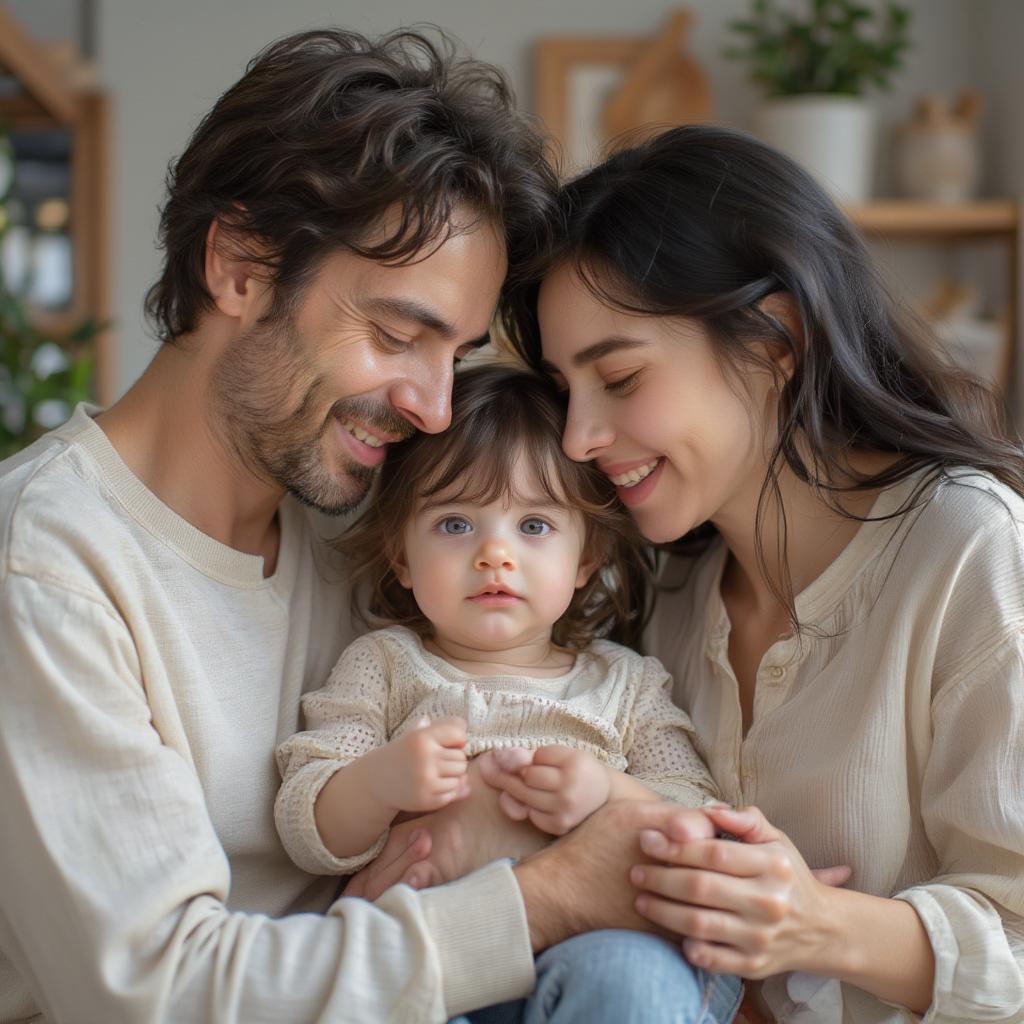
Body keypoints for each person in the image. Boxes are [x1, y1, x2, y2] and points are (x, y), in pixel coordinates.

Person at [0, 29, 724, 1024]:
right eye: (397, 334)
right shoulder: (47, 565)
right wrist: (543, 897)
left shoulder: (360, 530)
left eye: (456, 353)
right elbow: (153, 994)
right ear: (242, 266)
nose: (433, 408)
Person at [498, 123, 1024, 1022]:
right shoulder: (663, 598)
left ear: (775, 340)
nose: (579, 437)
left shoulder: (970, 547)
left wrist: (815, 923)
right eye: (564, 392)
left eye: (619, 379)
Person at [273, 362, 739, 1023]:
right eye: (456, 524)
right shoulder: (382, 665)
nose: (495, 554)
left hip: (595, 947)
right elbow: (304, 820)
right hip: (437, 954)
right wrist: (379, 784)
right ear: (401, 555)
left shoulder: (626, 683)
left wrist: (608, 795)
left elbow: (695, 814)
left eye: (535, 526)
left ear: (586, 560)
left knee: (633, 980)